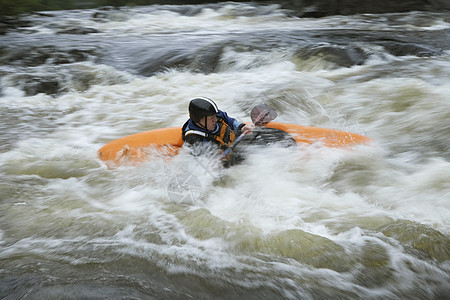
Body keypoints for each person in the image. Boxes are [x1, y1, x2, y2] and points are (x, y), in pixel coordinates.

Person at [182, 97, 254, 154]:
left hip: (233, 142)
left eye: (215, 116)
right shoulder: (193, 139)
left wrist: (242, 127)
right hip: (223, 155)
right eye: (211, 118)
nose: (215, 120)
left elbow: (230, 121)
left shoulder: (216, 115)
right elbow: (200, 159)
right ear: (198, 119)